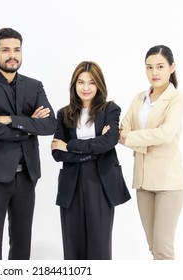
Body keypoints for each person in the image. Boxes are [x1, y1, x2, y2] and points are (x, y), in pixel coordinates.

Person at [0, 27, 57, 260]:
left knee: (21, 243)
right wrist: (29, 126)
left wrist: (11, 120)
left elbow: (50, 125)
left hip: (27, 175)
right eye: (6, 50)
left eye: (17, 50)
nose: (12, 55)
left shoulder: (34, 85)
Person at [51, 61, 131, 260]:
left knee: (99, 246)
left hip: (101, 182)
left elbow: (109, 142)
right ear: (74, 85)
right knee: (72, 246)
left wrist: (70, 145)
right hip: (72, 184)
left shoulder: (111, 109)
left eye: (91, 82)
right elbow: (56, 152)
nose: (86, 88)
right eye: (81, 82)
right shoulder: (63, 114)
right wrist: (95, 145)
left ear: (99, 85)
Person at [119, 45, 183, 260]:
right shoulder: (139, 98)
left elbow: (166, 134)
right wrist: (141, 140)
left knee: (163, 249)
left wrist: (132, 139)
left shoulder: (177, 99)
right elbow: (123, 128)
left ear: (172, 68)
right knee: (153, 246)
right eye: (149, 67)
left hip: (168, 182)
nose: (154, 73)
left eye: (160, 67)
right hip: (143, 181)